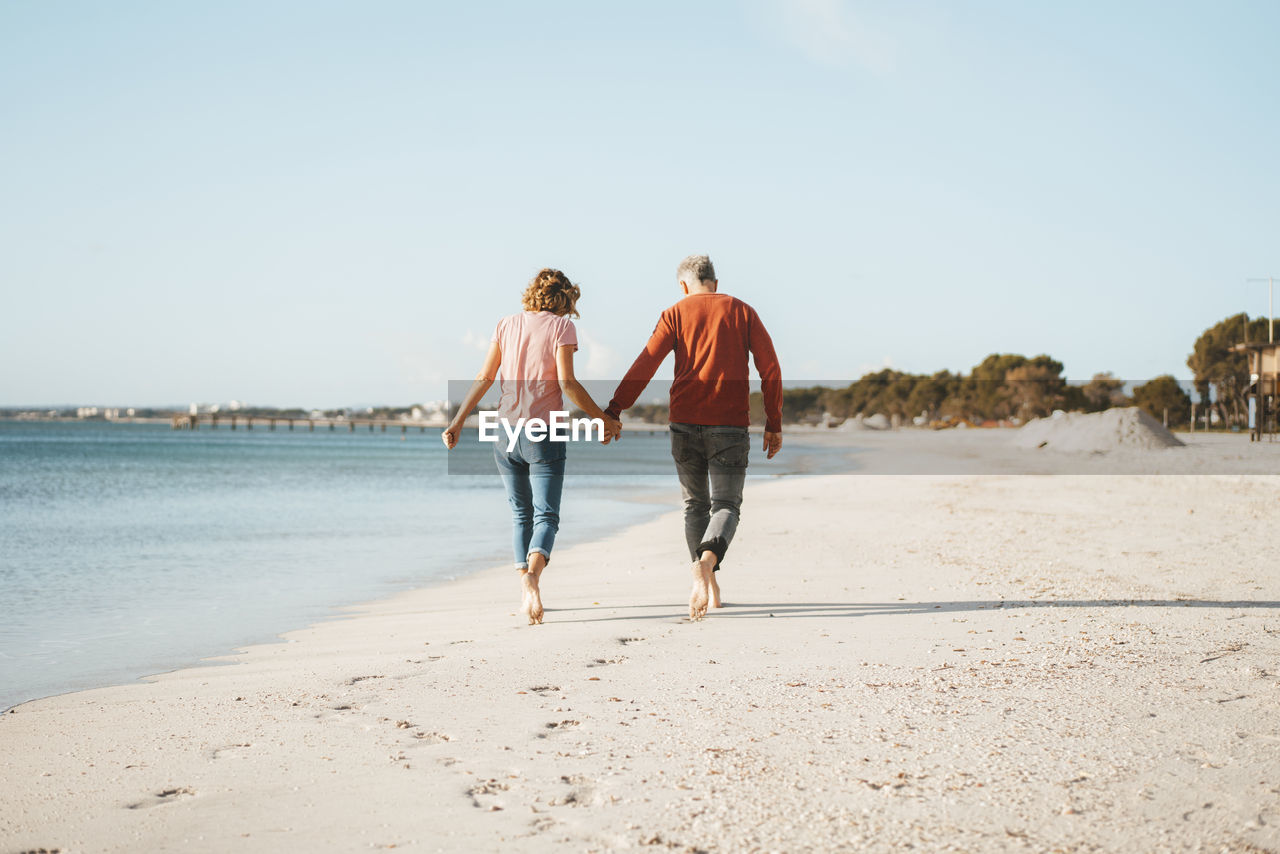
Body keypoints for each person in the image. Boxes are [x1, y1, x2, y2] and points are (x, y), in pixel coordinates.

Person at [605, 254, 782, 620]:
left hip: (684, 423)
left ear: (684, 286)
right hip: (729, 425)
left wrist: (614, 409)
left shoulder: (675, 312)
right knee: (726, 506)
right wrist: (774, 421)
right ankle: (707, 567)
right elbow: (770, 368)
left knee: (694, 506)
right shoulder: (742, 311)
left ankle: (703, 576)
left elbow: (646, 363)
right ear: (715, 283)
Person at [442, 268, 621, 625]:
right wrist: (601, 416)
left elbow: (484, 377)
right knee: (546, 516)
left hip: (505, 431)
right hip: (543, 432)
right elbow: (567, 383)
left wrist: (458, 420)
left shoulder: (505, 325)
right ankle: (533, 579)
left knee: (520, 514)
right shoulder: (562, 328)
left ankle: (524, 583)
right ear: (565, 299)